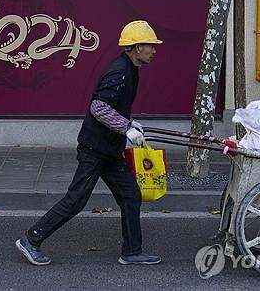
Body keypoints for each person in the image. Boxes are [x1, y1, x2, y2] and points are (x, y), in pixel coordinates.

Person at [15, 20, 163, 266]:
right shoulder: (120, 71)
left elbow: (114, 106)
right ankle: (31, 239)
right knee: (75, 200)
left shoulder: (131, 69)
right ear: (137, 47)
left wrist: (131, 123)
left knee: (130, 195)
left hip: (109, 149)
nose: (154, 50)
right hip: (95, 150)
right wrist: (126, 127)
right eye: (150, 45)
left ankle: (132, 252)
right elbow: (99, 107)